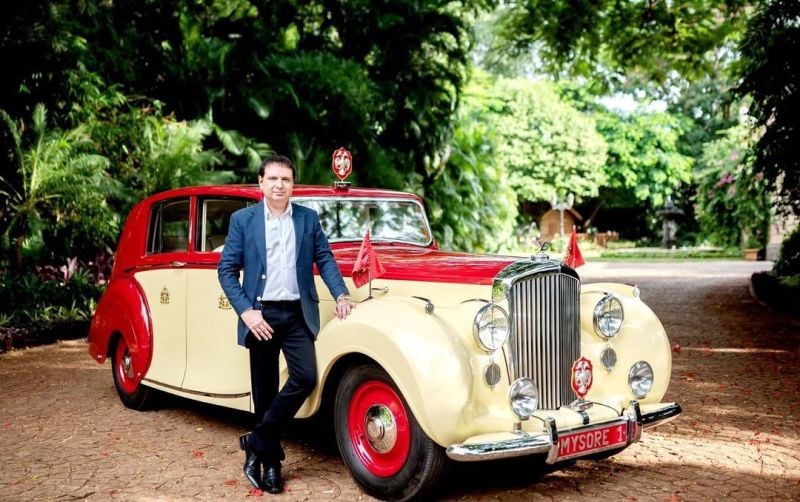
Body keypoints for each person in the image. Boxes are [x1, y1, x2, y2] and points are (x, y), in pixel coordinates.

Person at [217, 154, 355, 494]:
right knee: (264, 394)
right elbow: (226, 270)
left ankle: (257, 440)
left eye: (286, 180)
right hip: (260, 314)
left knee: (306, 377)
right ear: (261, 183)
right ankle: (271, 466)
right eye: (273, 179)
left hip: (296, 314)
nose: (279, 185)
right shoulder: (243, 220)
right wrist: (247, 312)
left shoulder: (308, 219)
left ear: (293, 184)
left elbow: (324, 257)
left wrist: (340, 294)